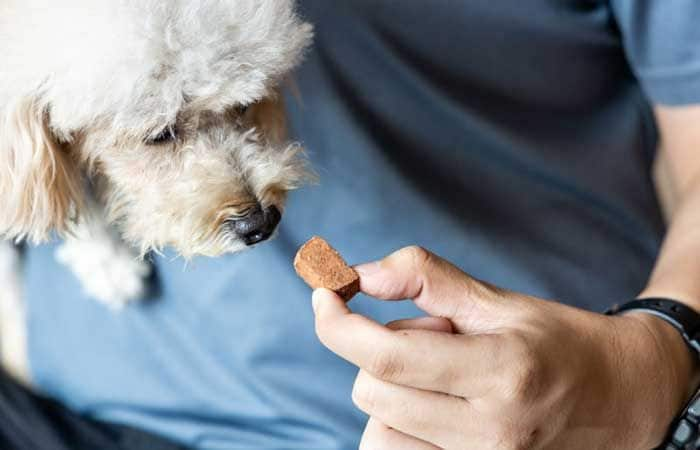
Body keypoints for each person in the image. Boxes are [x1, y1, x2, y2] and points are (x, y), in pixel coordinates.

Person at [3, 0, 700, 448]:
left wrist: (657, 357)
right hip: (61, 397)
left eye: (245, 108)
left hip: (533, 415)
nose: (253, 206)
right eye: (160, 135)